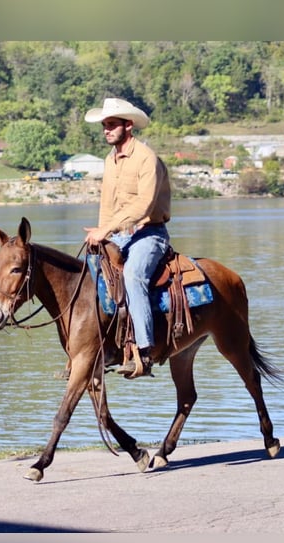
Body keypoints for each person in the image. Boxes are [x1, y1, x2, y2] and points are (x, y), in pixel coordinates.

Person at [83, 97, 172, 378]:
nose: (106, 130)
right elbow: (107, 203)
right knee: (90, 274)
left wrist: (107, 230)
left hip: (149, 234)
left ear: (128, 126)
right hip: (120, 234)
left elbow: (144, 205)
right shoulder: (110, 160)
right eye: (104, 125)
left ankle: (144, 352)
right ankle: (101, 346)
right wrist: (100, 234)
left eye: (111, 125)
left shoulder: (147, 158)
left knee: (133, 276)